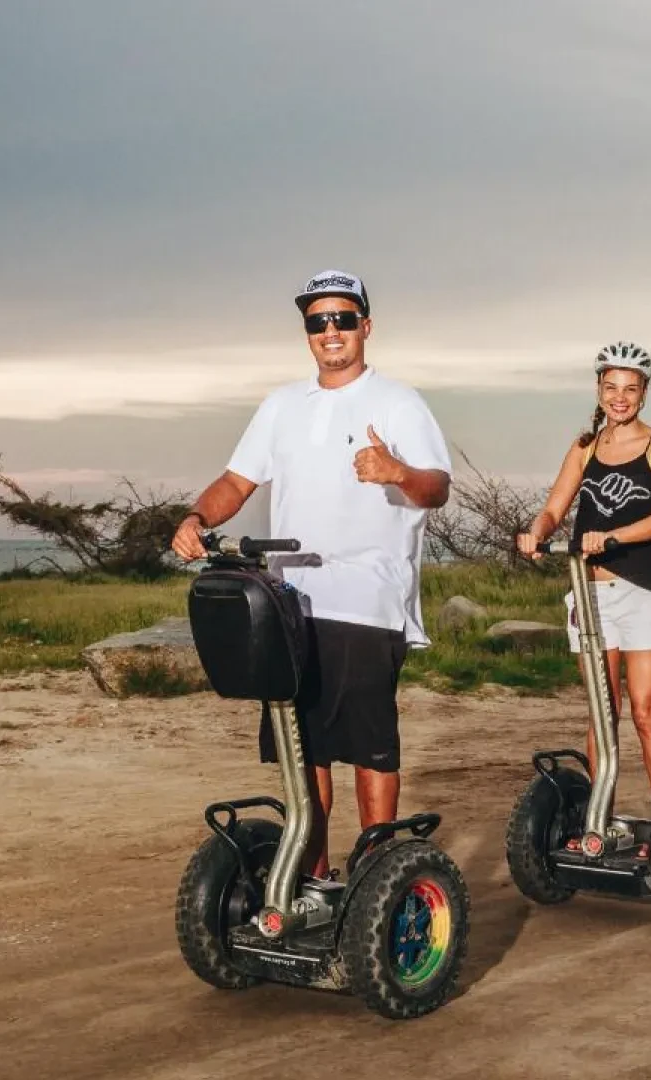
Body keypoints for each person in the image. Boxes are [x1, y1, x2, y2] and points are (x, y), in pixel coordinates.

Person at [171, 270, 451, 877]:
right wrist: (196, 516)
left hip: (367, 597)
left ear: (365, 328)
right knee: (305, 750)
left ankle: (380, 875)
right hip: (289, 602)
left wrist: (397, 471)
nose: (330, 331)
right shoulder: (281, 405)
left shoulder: (398, 401)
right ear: (306, 333)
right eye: (317, 321)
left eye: (343, 319)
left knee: (369, 745)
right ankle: (316, 876)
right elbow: (236, 481)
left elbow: (437, 488)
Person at [516, 343, 651, 794]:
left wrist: (612, 538)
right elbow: (555, 507)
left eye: (630, 388)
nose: (620, 397)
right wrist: (537, 531)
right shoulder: (584, 447)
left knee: (645, 709)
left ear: (644, 392)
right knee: (602, 709)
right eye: (611, 387)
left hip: (645, 589)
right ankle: (599, 819)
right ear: (598, 389)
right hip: (590, 594)